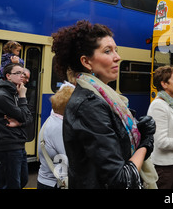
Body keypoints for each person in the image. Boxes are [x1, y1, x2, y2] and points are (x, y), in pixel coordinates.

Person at [51, 20, 157, 189]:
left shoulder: (106, 100)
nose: (118, 57)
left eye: (116, 50)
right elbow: (120, 180)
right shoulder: (89, 105)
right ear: (87, 62)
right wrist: (144, 146)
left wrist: (139, 130)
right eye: (108, 51)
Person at [0, 63, 33, 189]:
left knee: (21, 179)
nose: (22, 76)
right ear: (8, 76)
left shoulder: (15, 92)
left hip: (18, 143)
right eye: (18, 73)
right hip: (9, 144)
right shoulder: (3, 96)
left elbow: (29, 118)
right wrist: (23, 97)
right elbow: (26, 116)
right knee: (13, 183)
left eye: (23, 73)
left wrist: (20, 122)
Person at [37, 81, 74, 189]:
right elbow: (71, 159)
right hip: (54, 183)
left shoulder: (53, 119)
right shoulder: (59, 128)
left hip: (48, 181)